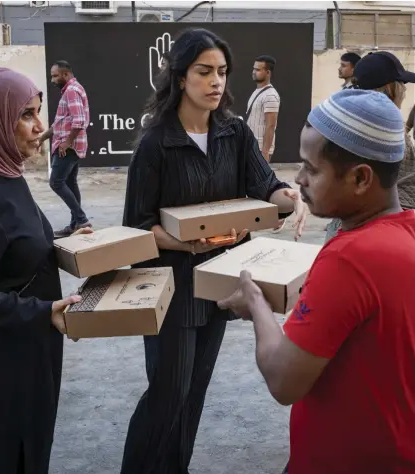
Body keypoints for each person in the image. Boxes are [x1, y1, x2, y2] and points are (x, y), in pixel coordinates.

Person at [120, 28, 307, 474]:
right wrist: (182, 240)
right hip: (171, 288)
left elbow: (266, 186)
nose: (216, 82)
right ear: (180, 77)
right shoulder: (155, 143)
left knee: (194, 394)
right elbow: (135, 226)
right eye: (204, 72)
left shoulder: (234, 133)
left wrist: (292, 197)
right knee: (167, 394)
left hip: (221, 283)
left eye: (221, 72)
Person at [219, 89, 415, 474]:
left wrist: (256, 302)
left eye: (312, 168)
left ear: (360, 178)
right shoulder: (406, 231)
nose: (298, 179)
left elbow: (283, 380)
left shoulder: (349, 258)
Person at [0, 68, 89, 474]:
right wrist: (40, 312)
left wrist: (78, 243)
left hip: (32, 351)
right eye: (26, 116)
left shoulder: (8, 175)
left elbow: (18, 249)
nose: (39, 128)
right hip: (2, 366)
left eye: (38, 113)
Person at [326, 51, 415, 241]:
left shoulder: (352, 119)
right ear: (391, 88)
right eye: (402, 84)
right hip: (380, 231)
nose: (405, 90)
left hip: (352, 227)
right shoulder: (384, 128)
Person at [39, 60, 91, 238]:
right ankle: (75, 224)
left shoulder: (71, 91)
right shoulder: (72, 90)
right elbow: (60, 123)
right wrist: (42, 138)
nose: (52, 79)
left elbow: (79, 121)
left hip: (68, 147)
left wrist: (67, 142)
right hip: (69, 145)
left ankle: (82, 220)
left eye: (55, 75)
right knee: (70, 183)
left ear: (66, 74)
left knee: (56, 182)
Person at [246, 55, 280, 163]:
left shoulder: (270, 95)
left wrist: (265, 152)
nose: (254, 72)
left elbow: (271, 125)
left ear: (268, 73)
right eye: (253, 69)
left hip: (260, 150)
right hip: (251, 147)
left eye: (258, 70)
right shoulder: (257, 92)